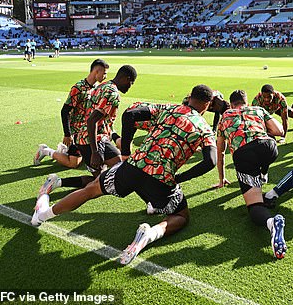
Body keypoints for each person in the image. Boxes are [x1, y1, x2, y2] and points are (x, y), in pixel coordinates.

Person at [31, 85, 217, 266]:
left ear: (190, 96)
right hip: (161, 177)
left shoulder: (169, 109)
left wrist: (126, 152)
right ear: (207, 105)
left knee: (91, 190)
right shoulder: (205, 128)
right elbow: (211, 161)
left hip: (132, 167)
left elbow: (130, 114)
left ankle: (42, 216)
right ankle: (150, 234)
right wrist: (180, 178)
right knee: (181, 215)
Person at [34, 65, 137, 196]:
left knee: (98, 180)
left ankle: (57, 182)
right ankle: (152, 202)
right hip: (95, 140)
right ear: (126, 78)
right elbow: (92, 120)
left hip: (83, 138)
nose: (130, 86)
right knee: (122, 168)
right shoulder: (112, 94)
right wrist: (94, 151)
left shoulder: (102, 86)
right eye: (131, 83)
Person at [216, 90, 287, 258]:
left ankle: (271, 223)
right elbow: (279, 131)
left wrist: (221, 179)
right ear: (246, 102)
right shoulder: (258, 109)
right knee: (263, 154)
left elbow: (220, 151)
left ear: (232, 104)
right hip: (269, 147)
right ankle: (263, 173)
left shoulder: (225, 116)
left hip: (244, 154)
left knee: (255, 207)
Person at [33, 59, 109, 169]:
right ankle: (46, 151)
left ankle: (65, 150)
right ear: (97, 71)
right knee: (74, 164)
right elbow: (65, 111)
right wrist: (67, 134)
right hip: (78, 132)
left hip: (89, 130)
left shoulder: (98, 88)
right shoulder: (78, 88)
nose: (105, 76)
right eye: (104, 73)